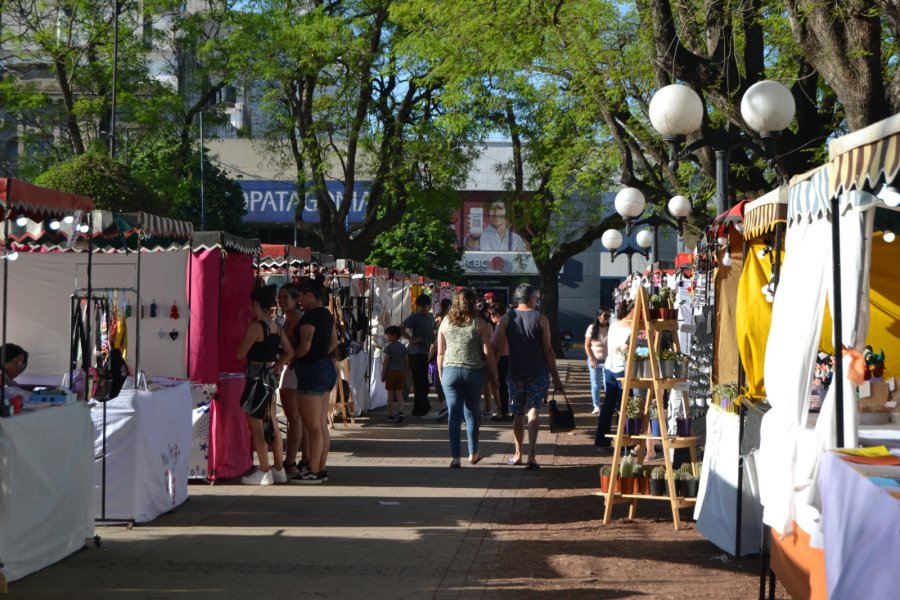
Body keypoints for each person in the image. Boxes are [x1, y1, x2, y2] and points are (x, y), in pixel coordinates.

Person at [492, 283, 564, 469]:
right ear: (531, 297)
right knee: (534, 411)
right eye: (536, 297)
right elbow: (548, 350)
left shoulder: (507, 318)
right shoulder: (541, 319)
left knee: (517, 413)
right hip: (538, 372)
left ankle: (518, 454)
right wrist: (556, 378)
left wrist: (493, 372)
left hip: (515, 372)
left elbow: (497, 347)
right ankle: (532, 455)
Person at [236, 286, 293, 485]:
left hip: (256, 378)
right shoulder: (277, 326)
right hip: (270, 377)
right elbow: (289, 351)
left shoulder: (256, 327)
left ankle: (263, 470)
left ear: (256, 305)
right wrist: (277, 364)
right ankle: (279, 469)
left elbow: (240, 353)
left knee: (256, 425)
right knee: (273, 424)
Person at [436, 288, 498, 468]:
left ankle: (455, 457)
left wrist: (441, 373)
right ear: (473, 303)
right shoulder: (479, 323)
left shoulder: (445, 322)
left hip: (450, 371)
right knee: (471, 413)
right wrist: (495, 374)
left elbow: (440, 353)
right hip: (473, 372)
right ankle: (473, 453)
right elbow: (487, 352)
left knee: (453, 416)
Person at [292, 277, 339, 484]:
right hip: (326, 367)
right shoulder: (327, 315)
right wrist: (321, 354)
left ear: (311, 295)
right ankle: (319, 467)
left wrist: (292, 358)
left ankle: (314, 469)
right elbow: (334, 342)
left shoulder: (310, 317)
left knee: (313, 425)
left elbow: (304, 346)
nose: (299, 300)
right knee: (320, 424)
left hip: (312, 369)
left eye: (301, 295)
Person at [277, 284, 307, 480]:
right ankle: (301, 459)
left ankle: (290, 461)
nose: (280, 300)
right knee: (298, 418)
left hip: (293, 370)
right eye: (279, 297)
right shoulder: (290, 319)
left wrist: (286, 360)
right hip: (295, 370)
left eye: (285, 297)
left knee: (294, 418)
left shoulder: (295, 320)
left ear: (296, 299)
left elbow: (300, 347)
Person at [595, 301, 633, 453]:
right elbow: (625, 348)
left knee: (609, 405)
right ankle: (622, 443)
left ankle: (602, 440)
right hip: (622, 369)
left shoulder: (614, 324)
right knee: (624, 406)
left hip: (610, 368)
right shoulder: (631, 327)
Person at [402, 294, 435, 417]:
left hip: (425, 352)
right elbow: (401, 328)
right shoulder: (414, 317)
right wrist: (412, 339)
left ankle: (419, 408)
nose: (423, 308)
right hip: (415, 353)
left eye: (425, 306)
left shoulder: (430, 318)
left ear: (429, 306)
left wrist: (434, 342)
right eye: (421, 306)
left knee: (422, 382)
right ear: (417, 307)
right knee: (421, 381)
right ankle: (422, 407)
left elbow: (431, 333)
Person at [463, 200, 528, 251]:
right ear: (488, 211)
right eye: (492, 208)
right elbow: (470, 248)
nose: (496, 213)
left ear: (506, 211)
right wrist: (474, 238)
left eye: (500, 208)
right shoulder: (478, 235)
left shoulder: (517, 239)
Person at [585, 309, 611, 415]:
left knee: (608, 383)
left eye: (609, 316)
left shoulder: (611, 328)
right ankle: (596, 405)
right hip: (594, 357)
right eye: (605, 316)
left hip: (608, 359)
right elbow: (587, 345)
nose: (607, 318)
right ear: (598, 316)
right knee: (596, 383)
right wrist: (591, 359)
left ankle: (608, 405)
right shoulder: (592, 328)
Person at [381, 325, 409, 423]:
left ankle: (390, 414)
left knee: (390, 394)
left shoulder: (388, 347)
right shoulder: (403, 347)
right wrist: (405, 372)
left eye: (388, 335)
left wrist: (383, 374)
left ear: (393, 335)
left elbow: (385, 362)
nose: (387, 337)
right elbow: (406, 360)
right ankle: (401, 412)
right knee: (399, 393)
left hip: (391, 372)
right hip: (400, 371)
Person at [431, 298, 452, 421]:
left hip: (444, 357)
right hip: (455, 358)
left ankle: (446, 407)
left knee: (440, 382)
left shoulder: (443, 322)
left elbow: (436, 347)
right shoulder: (461, 320)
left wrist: (430, 357)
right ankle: (448, 407)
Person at [489, 304, 510, 420]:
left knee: (501, 386)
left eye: (492, 314)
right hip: (504, 358)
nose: (491, 317)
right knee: (502, 386)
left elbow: (499, 346)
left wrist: (494, 363)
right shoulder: (501, 324)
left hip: (502, 358)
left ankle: (504, 411)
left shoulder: (501, 325)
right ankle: (504, 410)